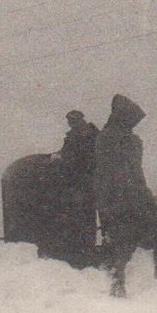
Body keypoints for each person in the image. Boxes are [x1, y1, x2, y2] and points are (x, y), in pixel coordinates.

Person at [94, 94, 157, 296]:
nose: (134, 125)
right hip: (127, 199)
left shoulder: (107, 138)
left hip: (117, 200)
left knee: (125, 240)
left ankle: (117, 281)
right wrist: (143, 197)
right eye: (132, 120)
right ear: (124, 118)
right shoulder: (121, 140)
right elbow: (129, 174)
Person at [55, 110, 100, 263]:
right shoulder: (80, 135)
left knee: (84, 216)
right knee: (83, 216)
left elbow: (83, 158)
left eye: (71, 121)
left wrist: (63, 157)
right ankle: (85, 248)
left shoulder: (87, 136)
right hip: (81, 183)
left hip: (84, 183)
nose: (70, 124)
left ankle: (85, 250)